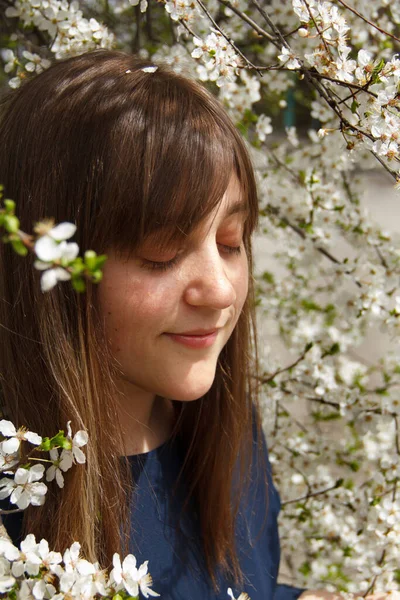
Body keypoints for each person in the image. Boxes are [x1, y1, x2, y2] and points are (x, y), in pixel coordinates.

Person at [0, 49, 316, 599]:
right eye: (162, 251)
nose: (219, 291)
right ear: (48, 266)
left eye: (231, 243)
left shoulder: (227, 430)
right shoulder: (17, 494)